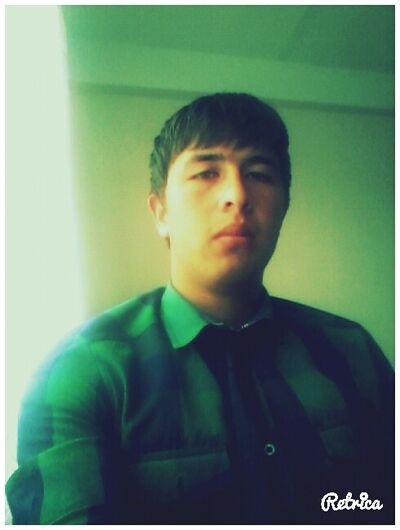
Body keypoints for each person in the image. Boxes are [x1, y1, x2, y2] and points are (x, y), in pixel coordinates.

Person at [6, 93, 394, 524]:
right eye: (207, 172)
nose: (237, 195)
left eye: (259, 173)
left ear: (283, 206)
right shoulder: (82, 373)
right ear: (161, 213)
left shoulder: (353, 351)